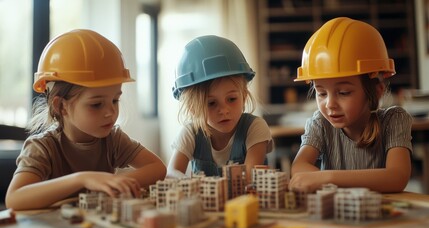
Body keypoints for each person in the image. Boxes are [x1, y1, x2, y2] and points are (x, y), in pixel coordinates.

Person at [5, 29, 166, 210]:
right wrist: (83, 179)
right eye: (96, 104)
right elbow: (15, 199)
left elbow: (157, 168)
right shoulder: (41, 148)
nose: (111, 112)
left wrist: (113, 183)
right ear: (61, 106)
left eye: (115, 100)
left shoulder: (113, 139)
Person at [289, 17, 413, 193]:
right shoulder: (320, 124)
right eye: (322, 93)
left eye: (344, 93)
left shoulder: (394, 120)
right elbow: (299, 167)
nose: (330, 104)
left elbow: (397, 177)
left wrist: (328, 177)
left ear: (376, 91)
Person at [167, 35, 273, 181]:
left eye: (232, 99)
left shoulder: (255, 127)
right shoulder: (191, 133)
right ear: (192, 108)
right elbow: (172, 172)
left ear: (244, 97)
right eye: (211, 103)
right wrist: (187, 182)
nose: (224, 110)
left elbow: (249, 177)